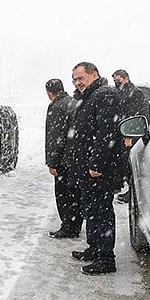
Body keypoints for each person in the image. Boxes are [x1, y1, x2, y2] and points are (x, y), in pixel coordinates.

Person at [68, 62, 122, 275]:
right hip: (87, 168)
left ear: (94, 75)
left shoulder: (104, 95)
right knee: (90, 209)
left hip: (99, 169)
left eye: (81, 78)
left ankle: (106, 258)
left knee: (102, 212)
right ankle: (94, 248)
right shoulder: (88, 97)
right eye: (75, 80)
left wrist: (97, 164)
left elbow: (106, 133)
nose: (78, 83)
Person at [44, 78, 81, 239]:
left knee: (63, 195)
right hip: (74, 157)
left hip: (64, 160)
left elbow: (55, 137)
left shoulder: (57, 107)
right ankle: (75, 224)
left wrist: (53, 162)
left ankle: (68, 227)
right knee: (74, 194)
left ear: (49, 92)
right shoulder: (73, 102)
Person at [111, 69, 150, 204]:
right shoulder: (120, 92)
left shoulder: (135, 93)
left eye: (119, 80)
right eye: (115, 81)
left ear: (126, 78)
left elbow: (140, 115)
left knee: (130, 165)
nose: (116, 83)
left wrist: (131, 135)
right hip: (122, 134)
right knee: (122, 163)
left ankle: (132, 191)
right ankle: (122, 185)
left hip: (131, 135)